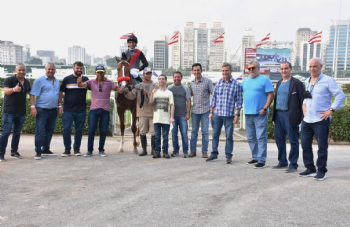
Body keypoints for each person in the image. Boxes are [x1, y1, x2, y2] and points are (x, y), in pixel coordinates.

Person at [299, 58, 345, 181]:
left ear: (321, 66)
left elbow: (340, 95)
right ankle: (310, 169)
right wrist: (304, 105)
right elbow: (307, 96)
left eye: (315, 66)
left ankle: (321, 171)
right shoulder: (307, 80)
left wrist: (331, 110)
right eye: (310, 66)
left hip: (320, 120)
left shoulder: (328, 80)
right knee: (305, 145)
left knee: (322, 147)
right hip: (307, 120)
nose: (312, 69)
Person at [77, 65, 118, 157]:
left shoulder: (109, 82)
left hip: (105, 111)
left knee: (103, 131)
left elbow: (117, 89)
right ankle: (89, 150)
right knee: (91, 130)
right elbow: (81, 85)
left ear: (104, 73)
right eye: (98, 72)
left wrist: (123, 88)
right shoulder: (91, 82)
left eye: (102, 72)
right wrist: (79, 82)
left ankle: (101, 150)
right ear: (95, 73)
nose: (100, 74)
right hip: (94, 110)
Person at [271, 61, 305, 173]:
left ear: (291, 69)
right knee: (279, 140)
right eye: (281, 69)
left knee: (293, 140)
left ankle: (293, 164)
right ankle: (282, 162)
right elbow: (276, 100)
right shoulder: (279, 82)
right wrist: (274, 117)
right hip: (279, 115)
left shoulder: (297, 83)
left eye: (286, 68)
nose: (283, 71)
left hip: (290, 115)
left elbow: (302, 101)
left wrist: (301, 117)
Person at [207, 63, 242, 164]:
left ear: (231, 71)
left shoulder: (236, 84)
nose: (224, 72)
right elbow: (213, 98)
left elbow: (239, 101)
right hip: (217, 114)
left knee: (229, 136)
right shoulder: (218, 83)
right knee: (215, 135)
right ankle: (214, 154)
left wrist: (237, 115)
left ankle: (228, 155)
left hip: (229, 115)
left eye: (226, 70)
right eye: (223, 71)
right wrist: (211, 112)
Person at [241, 60, 274, 168]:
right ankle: (255, 157)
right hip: (248, 113)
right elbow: (236, 91)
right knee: (251, 137)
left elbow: (271, 95)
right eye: (249, 68)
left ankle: (261, 159)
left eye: (253, 68)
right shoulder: (245, 81)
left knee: (260, 137)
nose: (251, 70)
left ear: (258, 69)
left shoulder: (265, 80)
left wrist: (265, 108)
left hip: (260, 113)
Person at [123, 67, 159, 156]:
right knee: (142, 131)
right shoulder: (138, 86)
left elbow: (158, 98)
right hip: (142, 112)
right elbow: (132, 96)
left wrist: (149, 94)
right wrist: (126, 92)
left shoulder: (156, 86)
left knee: (153, 131)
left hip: (153, 112)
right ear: (143, 75)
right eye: (147, 73)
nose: (148, 75)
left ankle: (153, 150)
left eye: (150, 73)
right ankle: (144, 150)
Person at [0, 63, 31, 162]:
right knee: (5, 133)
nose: (22, 72)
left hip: (21, 111)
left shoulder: (27, 82)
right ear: (15, 71)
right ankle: (1, 153)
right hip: (9, 111)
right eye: (20, 70)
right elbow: (5, 91)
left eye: (23, 70)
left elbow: (30, 93)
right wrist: (14, 89)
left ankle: (14, 152)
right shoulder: (9, 80)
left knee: (17, 133)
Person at [30, 62, 60, 160]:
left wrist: (60, 105)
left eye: (52, 69)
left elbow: (58, 94)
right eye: (49, 69)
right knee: (40, 132)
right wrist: (33, 107)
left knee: (49, 131)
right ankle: (38, 151)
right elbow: (32, 94)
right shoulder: (39, 81)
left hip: (53, 110)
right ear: (45, 69)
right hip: (42, 110)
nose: (51, 71)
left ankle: (46, 149)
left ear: (55, 70)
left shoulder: (57, 81)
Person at [59, 61, 89, 157]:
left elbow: (95, 88)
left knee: (79, 131)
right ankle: (67, 149)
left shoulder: (86, 79)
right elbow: (60, 92)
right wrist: (60, 105)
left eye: (81, 68)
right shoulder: (67, 79)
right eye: (77, 68)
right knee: (66, 130)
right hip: (68, 110)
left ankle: (76, 149)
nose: (79, 70)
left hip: (81, 110)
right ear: (73, 68)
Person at [189, 63, 214, 158]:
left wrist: (212, 109)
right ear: (192, 72)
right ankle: (193, 151)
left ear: (201, 70)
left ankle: (204, 151)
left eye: (198, 70)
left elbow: (214, 94)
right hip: (195, 111)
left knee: (205, 132)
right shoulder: (191, 83)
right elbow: (190, 95)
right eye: (194, 70)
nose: (196, 72)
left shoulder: (207, 81)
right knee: (194, 132)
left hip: (205, 111)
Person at [149, 74, 174, 159]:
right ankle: (157, 151)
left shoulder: (169, 93)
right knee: (157, 136)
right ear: (158, 81)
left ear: (166, 80)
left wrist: (172, 117)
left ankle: (165, 151)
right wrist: (152, 94)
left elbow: (172, 105)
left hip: (166, 119)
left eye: (163, 79)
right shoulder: (155, 92)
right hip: (157, 118)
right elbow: (151, 102)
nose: (161, 80)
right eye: (159, 79)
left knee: (166, 137)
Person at [168, 71, 191, 158]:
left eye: (178, 77)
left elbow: (188, 101)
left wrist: (188, 113)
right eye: (175, 77)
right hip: (173, 116)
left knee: (184, 134)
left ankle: (185, 151)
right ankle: (176, 150)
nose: (177, 78)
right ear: (173, 78)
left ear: (181, 78)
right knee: (174, 134)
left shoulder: (185, 88)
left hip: (182, 115)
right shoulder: (169, 88)